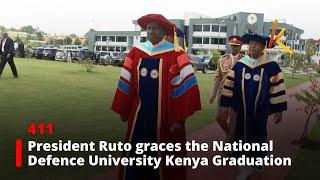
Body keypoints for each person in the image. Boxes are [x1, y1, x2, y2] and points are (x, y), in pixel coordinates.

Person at [111, 14, 201, 180]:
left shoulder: (177, 54)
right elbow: (126, 82)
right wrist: (124, 110)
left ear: (164, 31)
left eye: (155, 28)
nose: (150, 31)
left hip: (165, 118)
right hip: (139, 115)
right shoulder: (136, 52)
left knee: (163, 159)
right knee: (135, 153)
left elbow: (187, 86)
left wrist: (179, 118)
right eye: (149, 28)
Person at [220, 34, 287, 179]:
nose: (253, 47)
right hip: (241, 110)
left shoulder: (271, 66)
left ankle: (256, 161)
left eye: (257, 44)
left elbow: (277, 88)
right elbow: (229, 85)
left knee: (258, 135)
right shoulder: (240, 65)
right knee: (240, 134)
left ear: (263, 47)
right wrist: (225, 105)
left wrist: (278, 110)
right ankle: (244, 167)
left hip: (260, 111)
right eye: (251, 44)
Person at [209, 36, 244, 137]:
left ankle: (230, 142)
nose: (233, 48)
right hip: (223, 94)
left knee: (234, 120)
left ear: (240, 47)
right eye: (232, 46)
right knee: (219, 118)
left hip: (237, 95)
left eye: (236, 46)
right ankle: (231, 135)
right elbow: (217, 78)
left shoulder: (245, 60)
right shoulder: (223, 60)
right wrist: (213, 94)